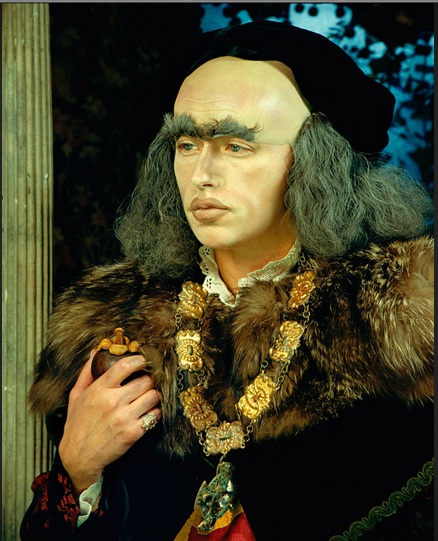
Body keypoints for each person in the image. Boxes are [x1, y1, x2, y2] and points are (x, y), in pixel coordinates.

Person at [21, 20, 433, 541]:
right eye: (186, 144)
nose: (201, 175)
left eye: (236, 145)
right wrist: (77, 468)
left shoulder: (405, 319)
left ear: (318, 160)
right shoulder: (105, 322)